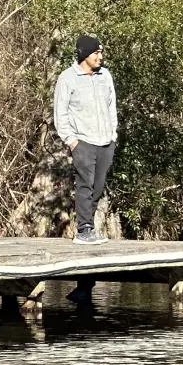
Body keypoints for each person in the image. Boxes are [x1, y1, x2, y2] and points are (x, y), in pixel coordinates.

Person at [53, 34, 118, 244]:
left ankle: (88, 227)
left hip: (106, 142)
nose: (100, 57)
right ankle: (84, 229)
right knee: (85, 186)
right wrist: (72, 141)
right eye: (96, 53)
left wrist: (113, 134)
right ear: (84, 55)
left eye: (101, 52)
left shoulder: (105, 76)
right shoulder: (67, 78)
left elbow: (111, 107)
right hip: (83, 142)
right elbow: (60, 113)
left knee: (98, 188)